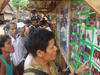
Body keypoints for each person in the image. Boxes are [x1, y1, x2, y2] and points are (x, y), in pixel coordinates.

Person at [24, 28, 90, 75]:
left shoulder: (50, 62)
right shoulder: (31, 73)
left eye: (54, 45)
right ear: (40, 53)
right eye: (52, 47)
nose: (56, 49)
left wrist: (76, 73)